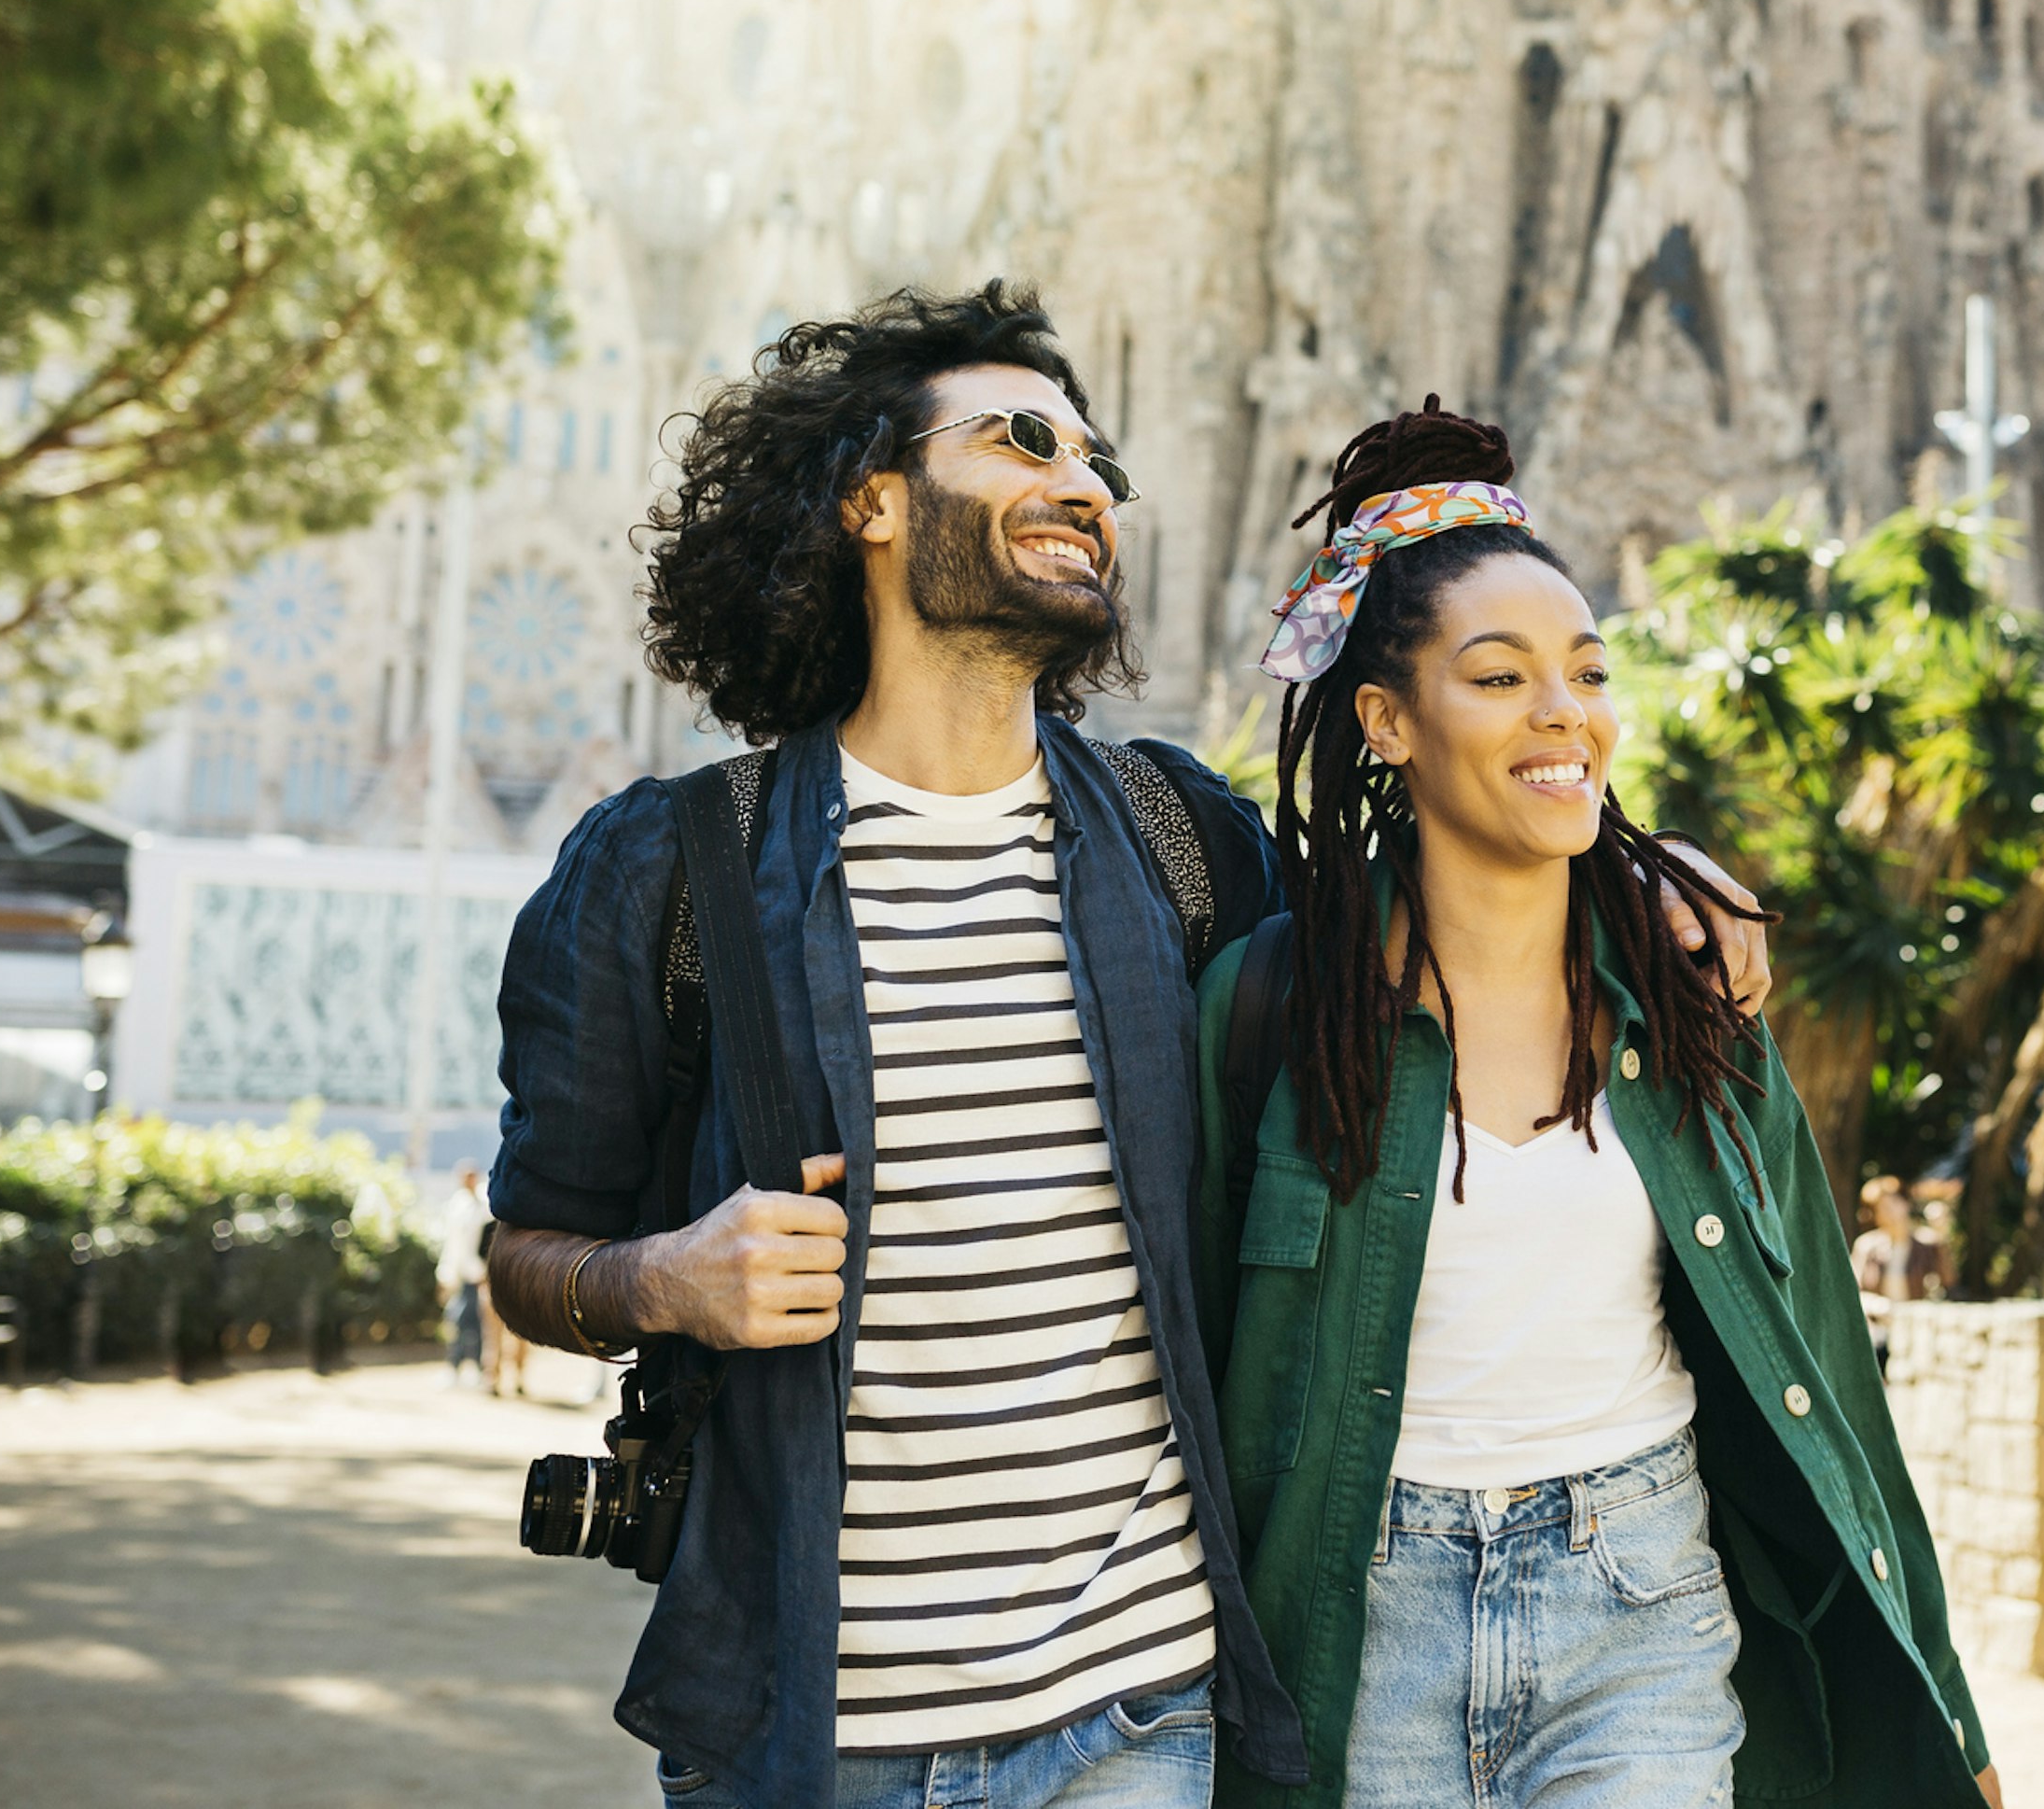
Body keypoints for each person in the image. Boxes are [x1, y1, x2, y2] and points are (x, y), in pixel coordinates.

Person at [479, 285, 1769, 1809]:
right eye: (1023, 437)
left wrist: (1647, 873)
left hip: (1141, 1724)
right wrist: (661, 1279)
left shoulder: (1180, 846)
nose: (1082, 483)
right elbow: (528, 1253)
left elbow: (1448, 919)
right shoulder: (669, 874)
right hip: (813, 1736)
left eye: (1101, 462)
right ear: (869, 500)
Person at [1196, 401, 2001, 1809]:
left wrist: (1947, 1711)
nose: (1563, 710)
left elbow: (1826, 1359)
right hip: (1362, 1623)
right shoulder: (1273, 1012)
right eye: (1499, 677)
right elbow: (1195, 1364)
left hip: (1638, 1605)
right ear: (1387, 721)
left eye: (1586, 670)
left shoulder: (1693, 1000)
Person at [1849, 1174, 1947, 1364]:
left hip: (1917, 1332)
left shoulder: (1928, 1244)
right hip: (1879, 1335)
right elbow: (1850, 1294)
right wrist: (1876, 1304)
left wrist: (1942, 1238)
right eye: (1882, 1208)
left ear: (1905, 1204)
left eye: (1893, 1204)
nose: (1890, 1212)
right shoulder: (1867, 1246)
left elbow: (1948, 1286)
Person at [441, 1165, 490, 1386]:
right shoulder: (457, 1204)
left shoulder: (484, 1203)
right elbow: (452, 1243)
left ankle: (473, 1367)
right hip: (460, 1274)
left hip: (476, 1274)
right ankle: (457, 1366)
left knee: (472, 1322)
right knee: (459, 1321)